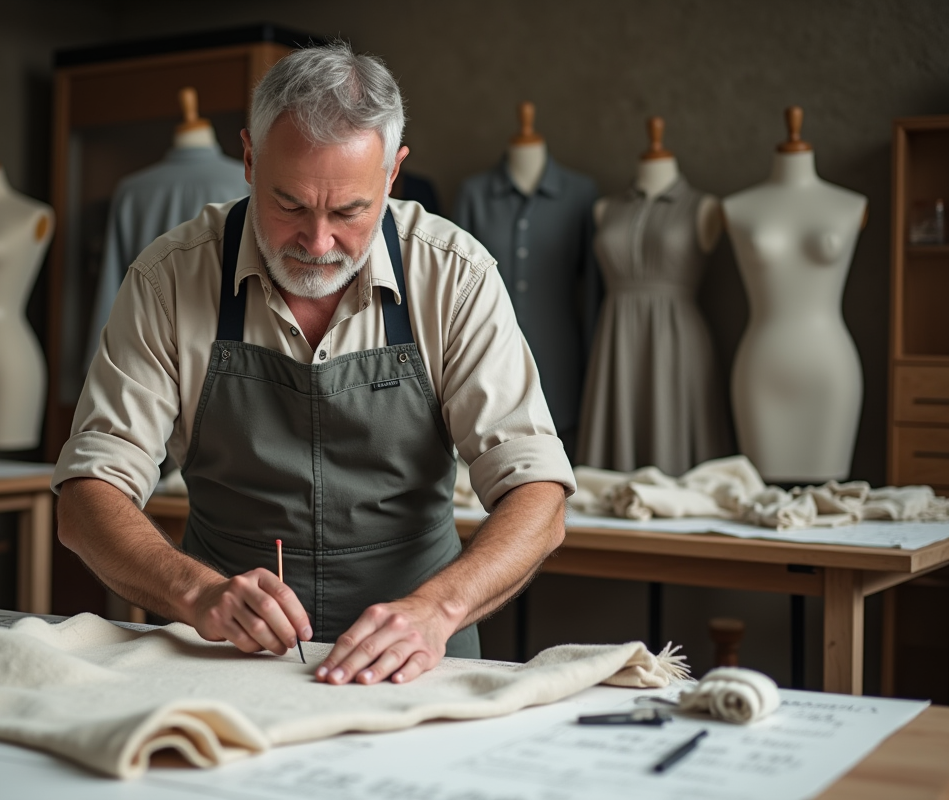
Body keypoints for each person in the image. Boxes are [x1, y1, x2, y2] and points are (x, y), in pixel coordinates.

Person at [53, 43, 575, 686]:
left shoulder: (455, 276)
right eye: (291, 205)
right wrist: (196, 594)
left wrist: (437, 611)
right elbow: (86, 494)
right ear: (248, 158)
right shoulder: (170, 279)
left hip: (418, 659)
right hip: (221, 659)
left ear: (392, 175)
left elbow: (538, 494)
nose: (319, 243)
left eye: (350, 211)